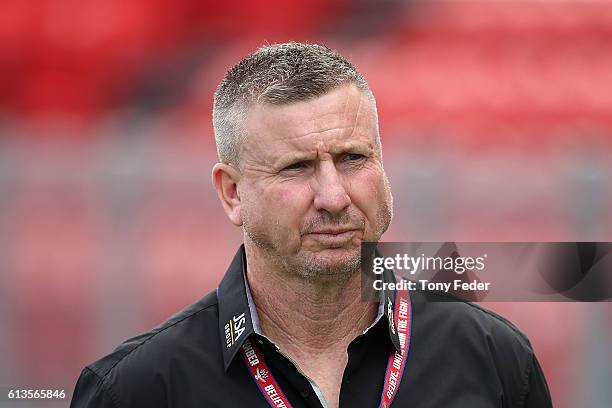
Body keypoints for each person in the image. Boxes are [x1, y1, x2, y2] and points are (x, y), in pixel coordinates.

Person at [70, 42, 552, 408]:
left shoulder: (497, 359)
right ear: (231, 193)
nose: (335, 196)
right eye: (296, 167)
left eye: (353, 158)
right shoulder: (137, 389)